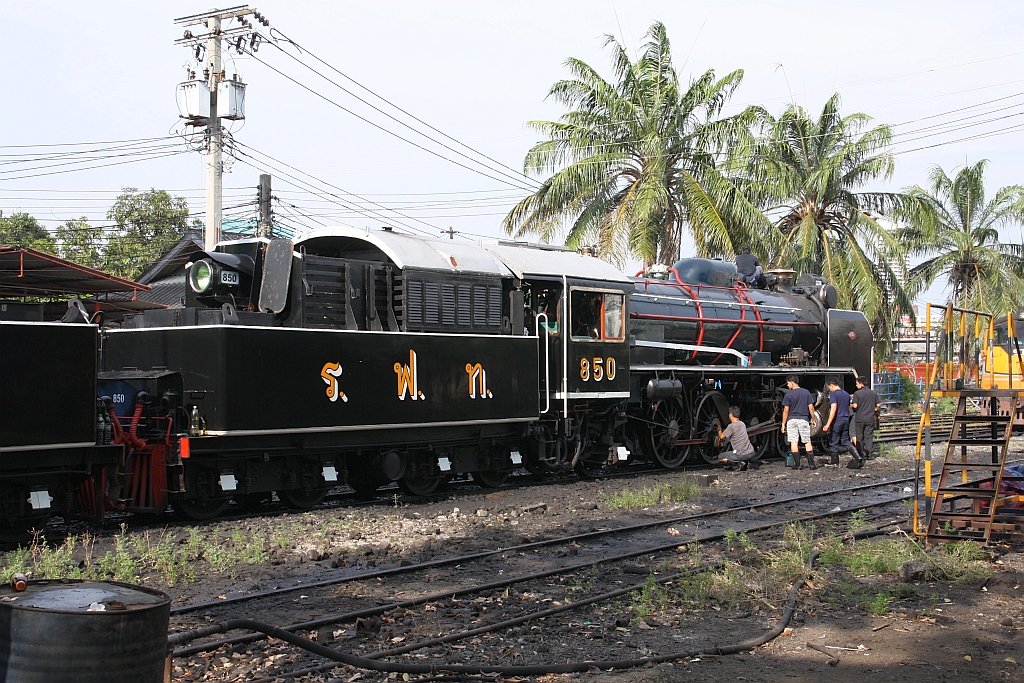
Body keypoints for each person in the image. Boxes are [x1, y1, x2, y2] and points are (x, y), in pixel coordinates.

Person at [823, 377, 862, 469]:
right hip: (845, 420)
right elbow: (849, 408)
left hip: (837, 420)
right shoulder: (846, 394)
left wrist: (828, 424)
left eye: (829, 387)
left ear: (832, 385)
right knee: (845, 441)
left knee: (834, 441)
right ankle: (858, 457)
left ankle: (835, 463)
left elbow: (833, 409)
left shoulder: (834, 395)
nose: (829, 389)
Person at [780, 375, 817, 469]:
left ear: (792, 382)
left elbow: (786, 411)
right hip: (803, 420)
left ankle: (797, 464)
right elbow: (811, 408)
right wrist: (813, 419)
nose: (788, 386)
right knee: (807, 441)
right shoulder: (806, 393)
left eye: (788, 383)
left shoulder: (788, 395)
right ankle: (812, 464)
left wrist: (783, 424)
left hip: (792, 420)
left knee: (793, 442)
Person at [716, 406, 757, 471]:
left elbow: (721, 436)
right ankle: (746, 463)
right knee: (739, 453)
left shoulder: (731, 426)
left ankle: (738, 463)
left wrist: (719, 430)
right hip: (751, 452)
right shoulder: (742, 424)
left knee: (720, 457)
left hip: (741, 454)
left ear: (730, 415)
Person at [851, 375, 881, 460]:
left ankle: (860, 453)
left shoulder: (857, 393)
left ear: (861, 384)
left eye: (857, 384)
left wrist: (850, 405)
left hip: (860, 418)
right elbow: (878, 405)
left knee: (859, 436)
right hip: (870, 418)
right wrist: (878, 413)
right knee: (869, 436)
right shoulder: (873, 393)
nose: (856, 385)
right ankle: (869, 454)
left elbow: (855, 405)